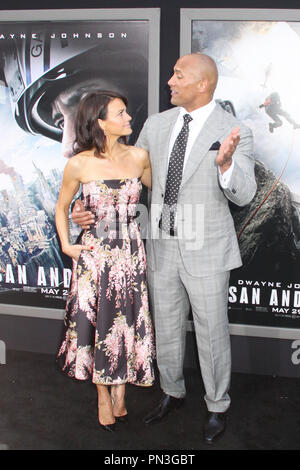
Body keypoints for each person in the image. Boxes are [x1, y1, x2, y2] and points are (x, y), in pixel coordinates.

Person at [72, 53, 257, 444]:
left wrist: (225, 167)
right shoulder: (157, 125)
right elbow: (123, 173)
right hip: (159, 244)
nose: (170, 81)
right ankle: (171, 392)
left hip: (206, 248)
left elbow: (246, 193)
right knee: (167, 328)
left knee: (211, 332)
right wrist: (83, 206)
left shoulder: (234, 129)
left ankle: (217, 405)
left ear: (202, 84)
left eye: (178, 75)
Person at [55, 90, 155, 433]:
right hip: (94, 254)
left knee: (126, 319)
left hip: (129, 251)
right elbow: (63, 205)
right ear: (101, 123)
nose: (129, 118)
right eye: (121, 113)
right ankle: (102, 393)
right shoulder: (79, 162)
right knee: (95, 320)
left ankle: (121, 389)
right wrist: (68, 243)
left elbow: (164, 198)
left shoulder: (141, 156)